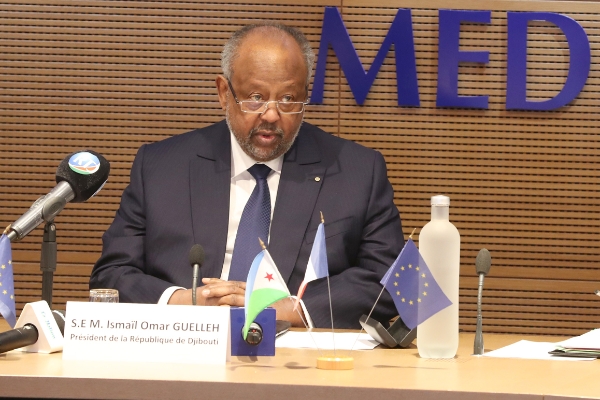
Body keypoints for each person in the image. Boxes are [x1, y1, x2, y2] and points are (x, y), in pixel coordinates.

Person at [90, 21, 404, 329]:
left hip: (296, 356)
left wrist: (292, 308)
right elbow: (112, 275)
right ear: (224, 92)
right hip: (182, 346)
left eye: (288, 99)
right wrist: (185, 302)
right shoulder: (161, 166)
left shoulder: (357, 172)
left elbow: (390, 281)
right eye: (255, 97)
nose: (271, 114)